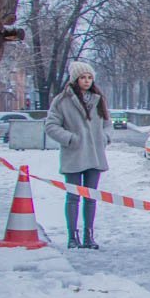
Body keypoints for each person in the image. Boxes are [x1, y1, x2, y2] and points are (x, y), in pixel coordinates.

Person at [44, 61, 111, 250]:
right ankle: (72, 236)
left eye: (89, 77)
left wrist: (105, 138)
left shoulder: (99, 99)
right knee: (73, 197)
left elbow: (108, 123)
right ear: (75, 79)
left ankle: (89, 235)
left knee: (91, 197)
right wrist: (70, 139)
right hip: (74, 155)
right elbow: (51, 125)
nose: (87, 81)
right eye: (83, 77)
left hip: (95, 156)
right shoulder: (62, 101)